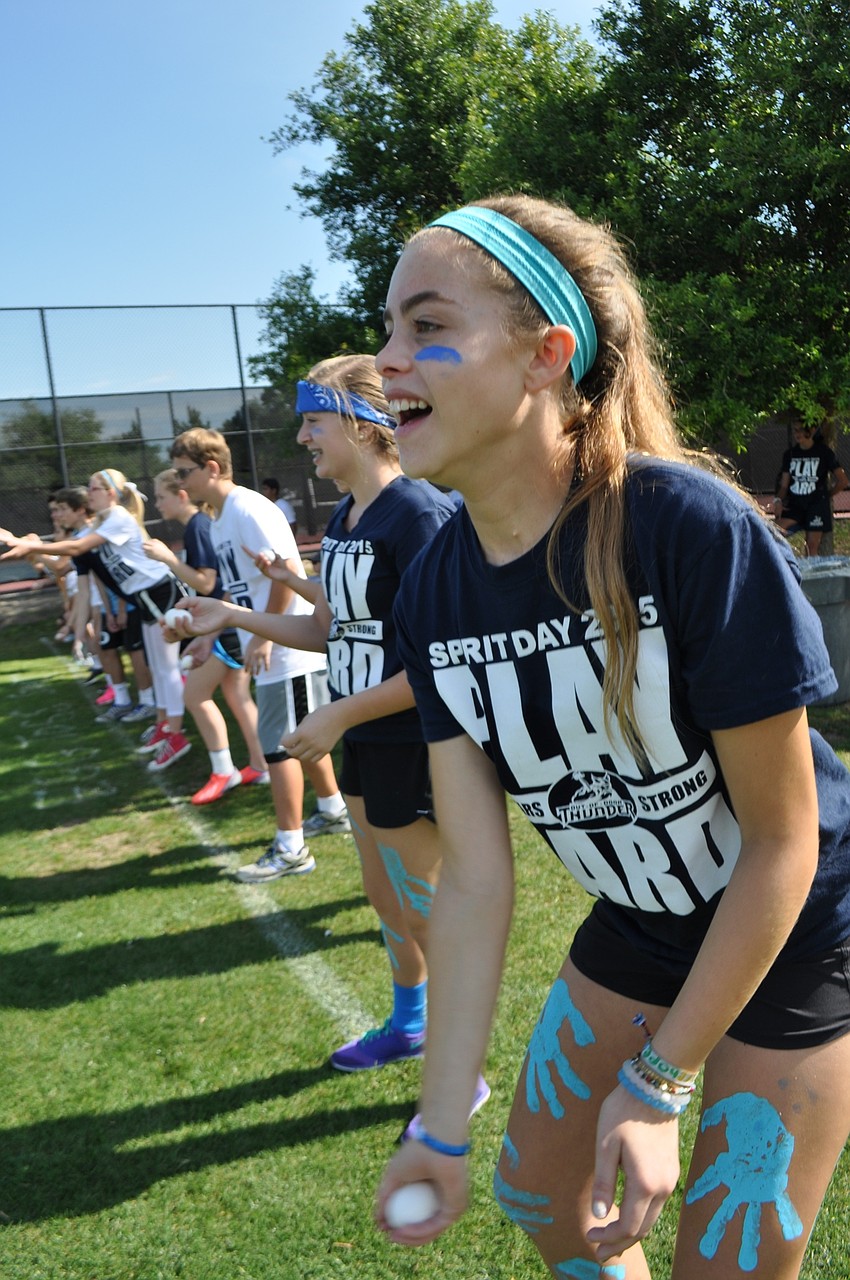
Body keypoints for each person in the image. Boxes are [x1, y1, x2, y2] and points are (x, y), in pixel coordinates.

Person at [370, 196, 850, 1279]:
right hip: (640, 921)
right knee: (539, 1193)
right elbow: (474, 880)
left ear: (545, 354)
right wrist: (440, 1125)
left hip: (798, 924)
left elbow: (782, 843)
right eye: (388, 328)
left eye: (426, 327)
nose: (386, 363)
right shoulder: (435, 592)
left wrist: (656, 1083)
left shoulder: (684, 526)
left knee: (724, 1263)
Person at [178, 356, 473, 1082]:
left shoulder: (423, 513)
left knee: (425, 909)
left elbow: (440, 662)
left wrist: (338, 713)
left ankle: (457, 1071)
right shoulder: (348, 514)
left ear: (367, 425)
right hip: (367, 736)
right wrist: (238, 610)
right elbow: (335, 629)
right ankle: (410, 1026)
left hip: (415, 742)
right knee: (384, 897)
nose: (303, 436)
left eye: (315, 420)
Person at [167, 428, 348, 874]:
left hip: (289, 646)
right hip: (272, 642)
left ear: (212, 468)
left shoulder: (248, 509)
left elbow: (286, 575)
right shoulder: (220, 517)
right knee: (296, 739)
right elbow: (241, 588)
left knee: (279, 746)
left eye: (183, 472)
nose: (179, 483)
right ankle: (331, 809)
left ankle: (291, 849)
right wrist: (212, 633)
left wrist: (265, 638)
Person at [0, 469, 189, 769]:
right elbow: (66, 556)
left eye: (95, 488)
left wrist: (31, 546)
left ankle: (176, 735)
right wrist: (22, 543)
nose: (89, 493)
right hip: (144, 597)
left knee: (166, 670)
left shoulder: (117, 517)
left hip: (158, 592)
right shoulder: (101, 521)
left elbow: (75, 548)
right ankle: (165, 725)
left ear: (111, 493)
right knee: (160, 667)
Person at [143, 468, 269, 804]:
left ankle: (224, 770)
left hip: (227, 622)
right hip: (228, 621)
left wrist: (169, 560)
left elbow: (208, 583)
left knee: (195, 694)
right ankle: (262, 764)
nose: (157, 505)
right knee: (237, 696)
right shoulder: (202, 525)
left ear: (181, 495)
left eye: (161, 497)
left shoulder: (198, 526)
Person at [774, 421, 848, 556]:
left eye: (801, 430)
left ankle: (809, 574)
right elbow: (784, 485)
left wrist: (827, 495)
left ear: (812, 431)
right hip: (795, 505)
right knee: (774, 532)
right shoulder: (790, 454)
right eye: (795, 430)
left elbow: (843, 481)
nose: (798, 434)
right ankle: (783, 568)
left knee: (812, 546)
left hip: (816, 506)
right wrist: (777, 500)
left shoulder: (824, 452)